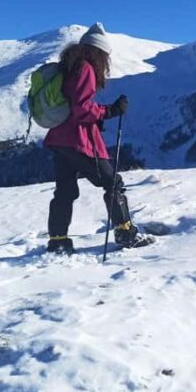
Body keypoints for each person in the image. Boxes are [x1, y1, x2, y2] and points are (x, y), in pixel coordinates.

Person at [43, 22, 152, 254]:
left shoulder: (68, 67)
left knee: (64, 190)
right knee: (112, 182)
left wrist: (101, 114)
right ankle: (125, 234)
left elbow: (72, 105)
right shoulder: (85, 69)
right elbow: (82, 108)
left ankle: (58, 241)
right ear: (99, 52)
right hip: (79, 140)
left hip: (59, 137)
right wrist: (110, 111)